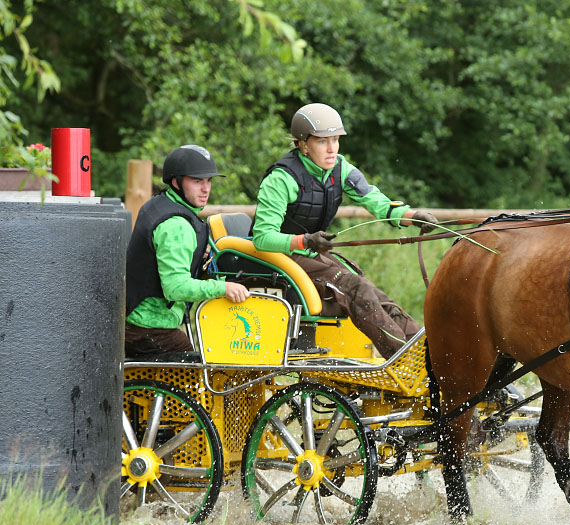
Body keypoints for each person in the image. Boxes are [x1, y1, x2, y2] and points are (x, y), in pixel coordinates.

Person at [252, 103, 438, 358]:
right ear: (303, 144)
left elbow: (379, 204)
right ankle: (404, 361)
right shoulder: (281, 179)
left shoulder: (340, 168)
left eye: (336, 140)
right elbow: (262, 238)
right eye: (322, 142)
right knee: (356, 288)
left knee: (374, 294)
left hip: (308, 254)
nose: (332, 149)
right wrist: (305, 240)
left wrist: (413, 216)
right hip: (277, 258)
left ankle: (429, 356)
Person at [125, 145, 250, 357]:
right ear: (177, 182)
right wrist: (223, 287)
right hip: (148, 328)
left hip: (136, 320)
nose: (206, 189)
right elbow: (176, 288)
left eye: (209, 181)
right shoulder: (176, 226)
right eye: (197, 181)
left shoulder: (159, 205)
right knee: (197, 380)